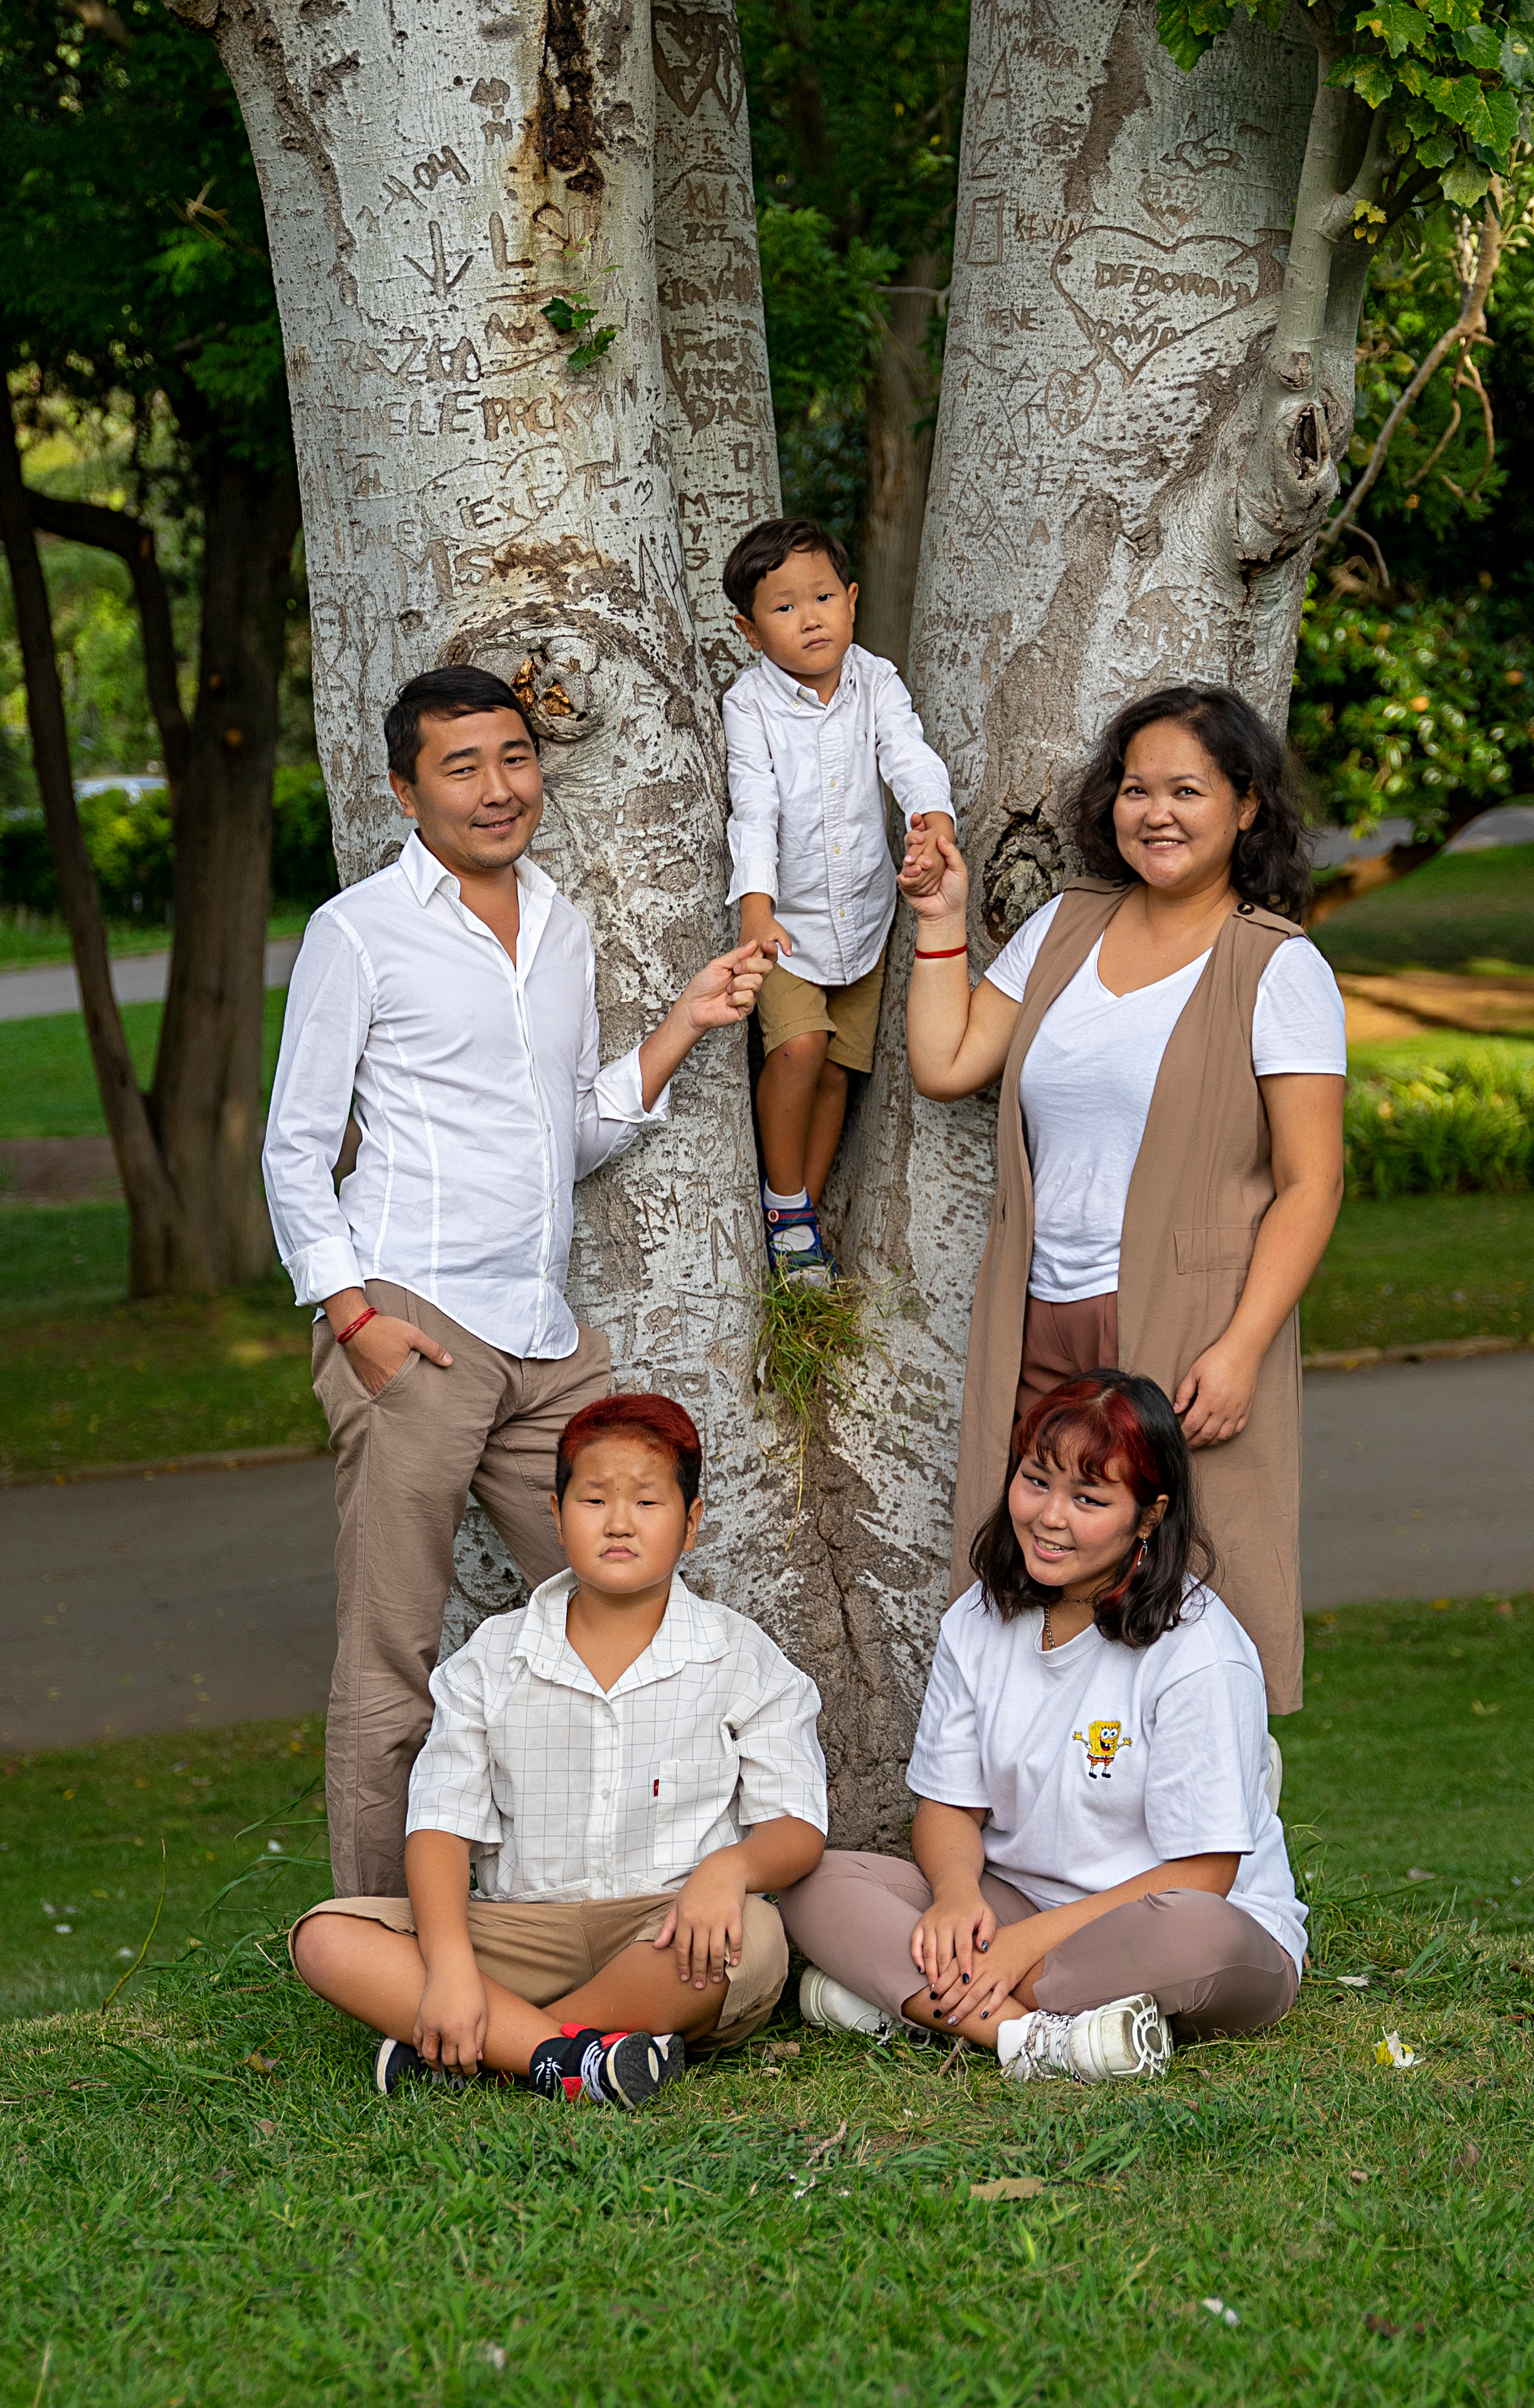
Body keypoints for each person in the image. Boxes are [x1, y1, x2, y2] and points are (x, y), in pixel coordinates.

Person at [263, 664, 771, 1899]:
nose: (498, 790)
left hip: (546, 1346)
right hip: (415, 1331)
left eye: (513, 759)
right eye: (461, 766)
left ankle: (626, 1903)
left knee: (634, 1617)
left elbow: (565, 1132)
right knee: (392, 1662)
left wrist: (684, 1023)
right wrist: (352, 1319)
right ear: (403, 790)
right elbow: (292, 1145)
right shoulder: (358, 933)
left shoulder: (557, 923)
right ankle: (378, 1941)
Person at [901, 685, 1346, 1716]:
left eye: (1187, 790)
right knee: (1032, 1577)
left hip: (1185, 1330)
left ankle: (1199, 1849)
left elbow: (1311, 1183)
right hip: (1038, 1323)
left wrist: (1241, 1348)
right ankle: (1033, 1833)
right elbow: (947, 1058)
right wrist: (939, 919)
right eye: (1137, 788)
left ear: (1246, 806)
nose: (1157, 813)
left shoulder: (1277, 967)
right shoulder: (1066, 924)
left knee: (1184, 1587)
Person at [291, 1393, 828, 2108]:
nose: (618, 1523)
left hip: (666, 1928)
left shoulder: (738, 1655)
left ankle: (495, 2046)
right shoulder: (494, 1656)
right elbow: (440, 1827)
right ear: (556, 1515)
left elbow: (796, 1824)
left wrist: (730, 1870)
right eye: (594, 1499)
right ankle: (578, 2057)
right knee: (327, 1939)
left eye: (647, 1502)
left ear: (691, 1524)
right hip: (520, 1934)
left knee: (754, 1938)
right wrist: (451, 1966)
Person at [780, 1373, 1306, 2083]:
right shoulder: (977, 1620)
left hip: (1174, 1923)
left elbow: (1204, 1875)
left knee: (1195, 1936)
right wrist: (959, 1895)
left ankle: (909, 2002)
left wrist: (1020, 1948)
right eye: (1036, 1482)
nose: (1049, 1517)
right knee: (819, 1884)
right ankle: (1035, 2039)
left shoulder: (1199, 1652)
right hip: (1017, 1903)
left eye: (1088, 1499)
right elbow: (946, 1807)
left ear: (1147, 1517)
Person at [722, 515, 954, 1280]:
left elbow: (907, 752)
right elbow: (752, 807)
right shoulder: (747, 705)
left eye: (822, 596)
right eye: (782, 607)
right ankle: (783, 1204)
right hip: (785, 925)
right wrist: (755, 906)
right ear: (749, 631)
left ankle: (801, 1226)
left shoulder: (875, 680)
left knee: (837, 1072)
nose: (809, 617)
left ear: (852, 600)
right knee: (798, 1046)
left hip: (865, 921)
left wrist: (932, 818)